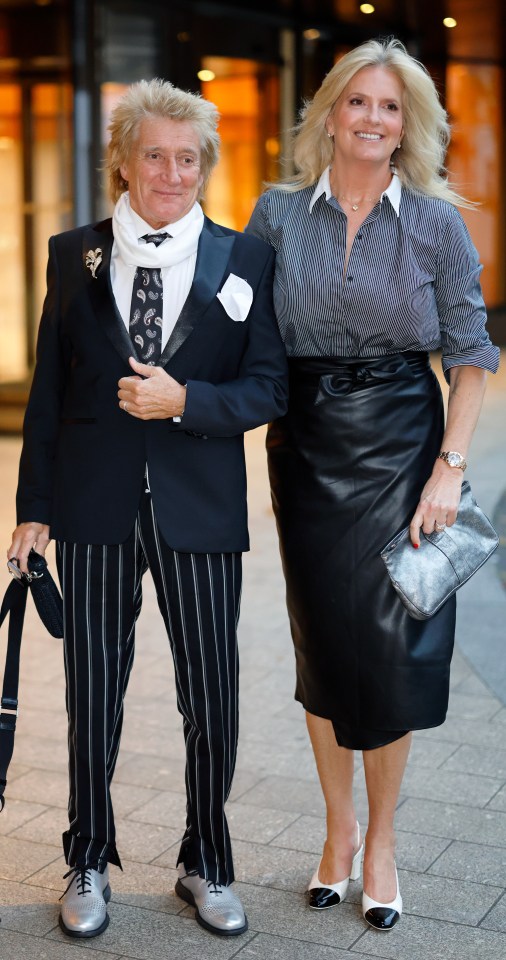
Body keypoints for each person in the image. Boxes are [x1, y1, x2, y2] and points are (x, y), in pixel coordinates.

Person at [8, 78, 288, 939]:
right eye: (155, 155)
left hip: (199, 507)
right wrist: (31, 509)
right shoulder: (72, 254)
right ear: (124, 163)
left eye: (188, 157)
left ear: (206, 164)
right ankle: (87, 857)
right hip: (92, 506)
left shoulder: (244, 259)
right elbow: (49, 391)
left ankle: (206, 859)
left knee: (214, 695)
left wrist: (186, 402)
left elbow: (269, 386)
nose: (172, 172)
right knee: (93, 692)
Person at [246, 37, 499, 931]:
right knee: (322, 641)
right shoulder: (276, 215)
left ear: (408, 126)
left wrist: (449, 471)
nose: (372, 119)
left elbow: (472, 357)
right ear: (330, 113)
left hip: (402, 444)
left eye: (390, 107)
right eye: (358, 102)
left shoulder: (437, 224)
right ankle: (339, 829)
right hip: (306, 445)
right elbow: (233, 326)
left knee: (391, 650)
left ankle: (384, 839)